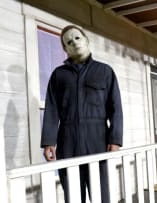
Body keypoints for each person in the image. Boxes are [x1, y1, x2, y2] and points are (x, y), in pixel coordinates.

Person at [41, 25, 123, 203]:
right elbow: (52, 108)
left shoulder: (105, 71)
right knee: (74, 196)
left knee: (102, 195)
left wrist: (115, 140)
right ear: (65, 49)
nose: (74, 43)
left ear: (86, 39)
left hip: (98, 141)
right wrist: (49, 142)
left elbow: (115, 106)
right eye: (68, 42)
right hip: (68, 143)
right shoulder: (59, 75)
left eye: (77, 38)